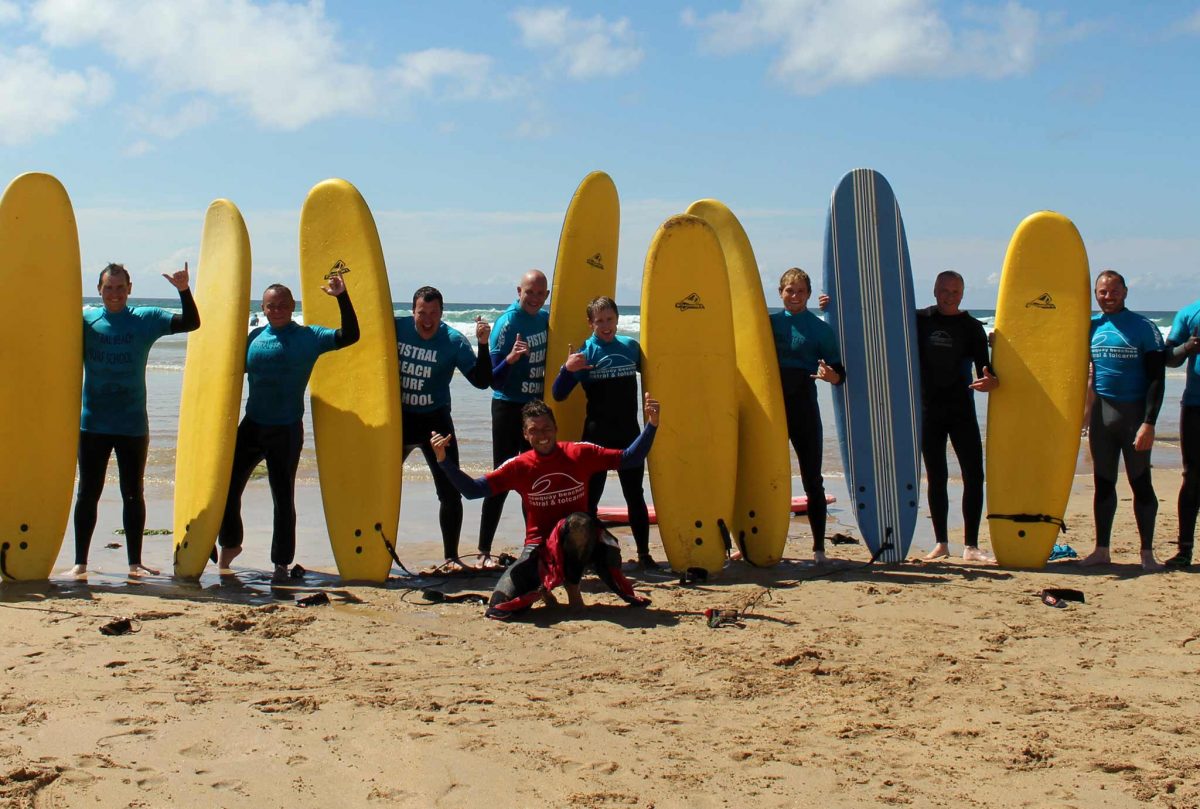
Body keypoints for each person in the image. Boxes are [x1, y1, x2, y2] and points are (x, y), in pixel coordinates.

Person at [432, 396, 659, 620]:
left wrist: (652, 424)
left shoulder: (579, 453)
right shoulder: (519, 466)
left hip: (581, 542)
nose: (542, 435)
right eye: (534, 430)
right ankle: (544, 587)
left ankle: (573, 588)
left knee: (580, 522)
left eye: (546, 428)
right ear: (525, 434)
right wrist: (443, 460)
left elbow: (631, 458)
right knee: (499, 606)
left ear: (556, 428)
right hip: (539, 547)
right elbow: (472, 490)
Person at [216, 276, 359, 583]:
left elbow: (350, 335)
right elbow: (222, 369)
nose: (277, 310)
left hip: (286, 430)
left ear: (293, 306)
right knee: (228, 487)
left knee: (283, 498)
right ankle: (230, 544)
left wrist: (342, 297)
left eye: (283, 305)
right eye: (271, 306)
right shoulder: (253, 339)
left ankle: (281, 562)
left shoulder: (309, 336)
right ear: (263, 309)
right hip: (252, 425)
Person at [67, 263, 200, 579]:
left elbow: (191, 322)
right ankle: (80, 563)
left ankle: (134, 563)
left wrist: (183, 289)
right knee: (88, 492)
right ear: (99, 290)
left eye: (120, 287)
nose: (114, 293)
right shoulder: (84, 320)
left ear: (130, 288)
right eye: (108, 287)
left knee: (132, 492)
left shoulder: (146, 319)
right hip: (92, 424)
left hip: (132, 425)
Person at [550, 296, 658, 568]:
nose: (605, 325)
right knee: (591, 498)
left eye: (610, 319)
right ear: (590, 323)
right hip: (596, 435)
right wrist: (567, 369)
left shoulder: (632, 348)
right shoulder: (585, 354)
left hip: (628, 434)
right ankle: (590, 555)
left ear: (617, 318)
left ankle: (644, 554)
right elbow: (558, 394)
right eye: (599, 321)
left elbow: (657, 377)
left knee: (634, 494)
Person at [395, 286, 492, 572]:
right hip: (398, 420)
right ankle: (370, 551)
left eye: (434, 313)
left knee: (450, 492)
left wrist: (483, 345)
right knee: (379, 486)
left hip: (435, 423)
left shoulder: (453, 341)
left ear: (442, 313)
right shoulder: (395, 328)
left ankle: (451, 557)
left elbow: (481, 380)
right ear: (412, 310)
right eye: (422, 313)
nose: (427, 319)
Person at [1082, 270, 1166, 570]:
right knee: (1103, 484)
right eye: (1102, 292)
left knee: (1140, 483)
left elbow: (1158, 377)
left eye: (1113, 291)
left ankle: (1147, 554)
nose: (1108, 297)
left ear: (1125, 292)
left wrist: (1149, 422)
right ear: (1095, 294)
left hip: (1134, 417)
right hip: (1102, 418)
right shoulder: (1091, 326)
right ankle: (1101, 550)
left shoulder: (1144, 327)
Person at [914, 270, 998, 563]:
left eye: (955, 291)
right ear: (935, 290)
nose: (950, 296)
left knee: (974, 476)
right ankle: (941, 543)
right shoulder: (919, 320)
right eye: (945, 290)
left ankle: (971, 546)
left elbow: (986, 371)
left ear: (962, 294)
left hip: (962, 410)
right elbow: (879, 319)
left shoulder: (972, 327)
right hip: (928, 410)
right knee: (936, 477)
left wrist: (990, 382)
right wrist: (831, 305)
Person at [771, 269, 845, 565]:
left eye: (800, 291)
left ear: (809, 295)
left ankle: (818, 549)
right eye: (790, 290)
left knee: (812, 479)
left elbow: (840, 374)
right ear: (780, 292)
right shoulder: (768, 324)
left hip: (803, 407)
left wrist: (832, 376)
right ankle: (759, 539)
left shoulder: (821, 330)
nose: (795, 296)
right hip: (773, 409)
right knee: (766, 477)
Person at [477, 269, 549, 567]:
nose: (533, 298)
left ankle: (534, 546)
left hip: (536, 410)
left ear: (546, 296)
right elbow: (493, 380)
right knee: (503, 478)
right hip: (508, 408)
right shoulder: (506, 324)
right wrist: (511, 359)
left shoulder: (546, 319)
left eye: (539, 293)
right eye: (528, 292)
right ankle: (483, 550)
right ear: (518, 291)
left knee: (535, 479)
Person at [1164, 301, 1200, 568]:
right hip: (1195, 406)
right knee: (1193, 477)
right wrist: (1189, 345)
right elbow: (1168, 358)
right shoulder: (1189, 313)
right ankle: (1184, 550)